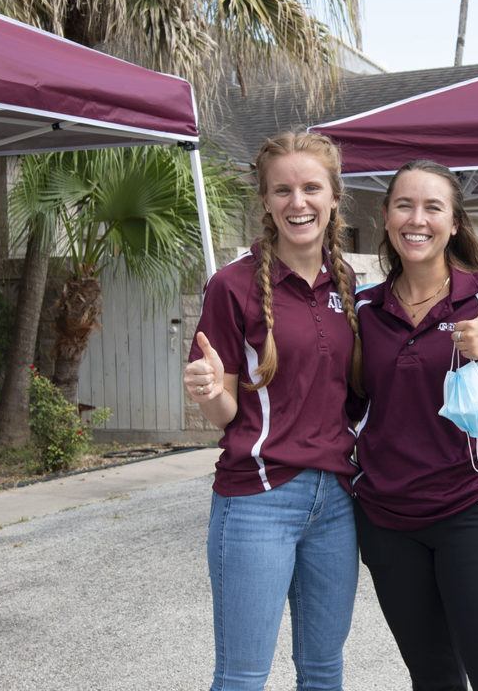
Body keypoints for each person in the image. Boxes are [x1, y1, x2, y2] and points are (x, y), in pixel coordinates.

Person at [351, 159, 478, 691]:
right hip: (388, 521)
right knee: (433, 676)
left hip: (472, 509)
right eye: (404, 205)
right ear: (387, 218)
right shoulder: (363, 311)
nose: (418, 219)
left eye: (433, 207)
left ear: (454, 223)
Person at [183, 131, 363, 691]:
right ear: (265, 201)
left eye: (311, 187)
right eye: (282, 190)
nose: (297, 202)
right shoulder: (231, 286)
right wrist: (209, 388)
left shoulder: (352, 285)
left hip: (337, 501)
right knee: (242, 676)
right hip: (258, 500)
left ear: (334, 196)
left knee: (323, 671)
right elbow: (224, 412)